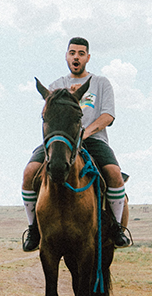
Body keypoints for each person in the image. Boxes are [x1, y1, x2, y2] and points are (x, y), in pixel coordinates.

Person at [21, 37, 131, 252]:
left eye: (81, 53)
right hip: (59, 141)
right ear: (66, 56)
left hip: (93, 139)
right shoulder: (56, 86)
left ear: (87, 57)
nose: (76, 57)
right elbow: (48, 116)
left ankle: (117, 227)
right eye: (72, 53)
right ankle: (34, 229)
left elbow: (107, 115)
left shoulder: (101, 83)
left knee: (114, 173)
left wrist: (85, 133)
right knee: (29, 172)